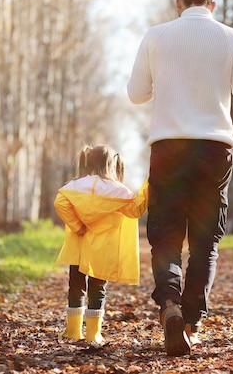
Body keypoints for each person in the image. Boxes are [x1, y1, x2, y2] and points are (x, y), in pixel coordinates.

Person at [127, 0, 233, 356]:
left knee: (166, 234)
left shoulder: (156, 35)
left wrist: (168, 81)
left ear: (179, 3)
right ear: (212, 5)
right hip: (214, 149)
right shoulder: (232, 39)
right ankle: (191, 320)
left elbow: (136, 93)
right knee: (206, 240)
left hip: (168, 147)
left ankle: (170, 305)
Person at [54, 145, 148, 344]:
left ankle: (72, 331)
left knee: (76, 285)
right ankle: (93, 334)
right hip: (103, 249)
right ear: (110, 164)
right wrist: (148, 185)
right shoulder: (118, 190)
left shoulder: (74, 186)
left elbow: (59, 203)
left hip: (78, 245)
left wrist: (77, 226)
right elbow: (135, 211)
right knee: (98, 288)